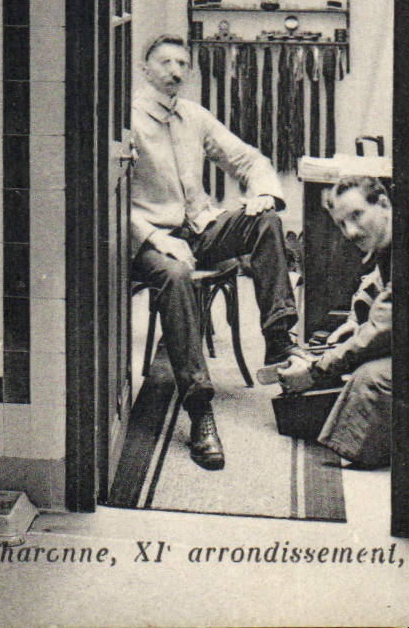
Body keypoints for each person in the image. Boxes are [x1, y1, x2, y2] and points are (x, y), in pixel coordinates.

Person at [129, 34, 304, 470]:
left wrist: (263, 193)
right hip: (151, 239)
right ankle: (199, 409)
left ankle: (279, 340)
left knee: (266, 221)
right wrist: (155, 238)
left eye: (182, 63)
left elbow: (249, 159)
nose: (174, 71)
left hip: (200, 229)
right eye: (164, 62)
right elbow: (107, 198)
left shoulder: (194, 116)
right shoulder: (127, 120)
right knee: (177, 275)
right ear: (144, 69)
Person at [277, 173, 393, 468]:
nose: (350, 232)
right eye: (342, 223)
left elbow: (382, 330)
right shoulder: (391, 237)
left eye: (356, 216)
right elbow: (375, 282)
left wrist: (316, 371)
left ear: (383, 204)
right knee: (345, 353)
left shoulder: (408, 247)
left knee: (369, 378)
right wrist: (355, 319)